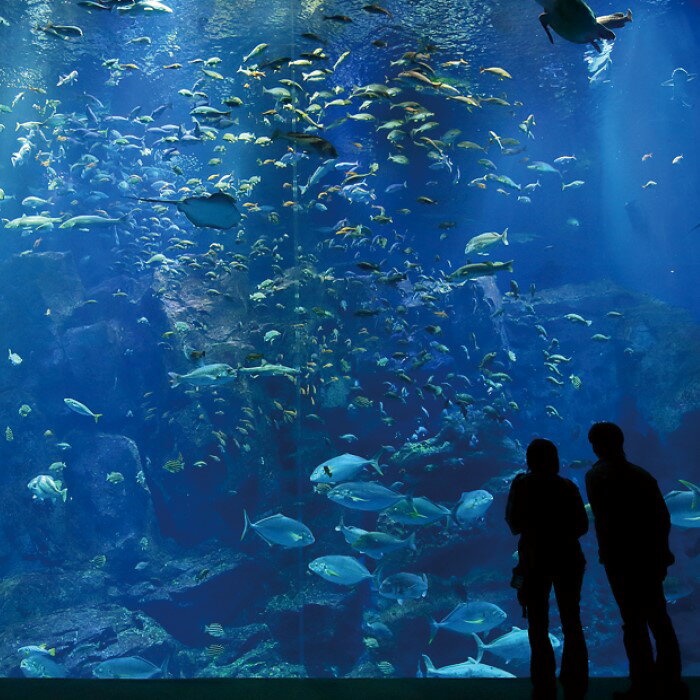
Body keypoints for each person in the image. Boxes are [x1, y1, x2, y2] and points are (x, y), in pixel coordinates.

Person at [585, 422, 686, 700]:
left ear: (596, 446)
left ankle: (642, 685)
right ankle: (671, 683)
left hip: (620, 561)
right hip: (649, 559)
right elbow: (661, 518)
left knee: (633, 623)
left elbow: (605, 519)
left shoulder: (596, 476)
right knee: (659, 619)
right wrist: (663, 554)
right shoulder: (643, 476)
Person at [506, 438, 589, 700]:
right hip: (568, 558)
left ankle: (543, 679)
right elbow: (582, 526)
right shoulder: (567, 486)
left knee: (537, 622)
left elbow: (513, 522)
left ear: (529, 460)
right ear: (555, 459)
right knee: (572, 620)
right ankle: (575, 678)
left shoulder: (522, 484)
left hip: (534, 559)